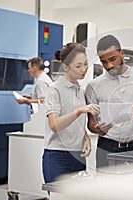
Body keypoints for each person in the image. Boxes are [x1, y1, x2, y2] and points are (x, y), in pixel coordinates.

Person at [85, 35, 133, 168]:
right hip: (106, 148)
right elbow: (91, 124)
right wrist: (98, 129)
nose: (109, 65)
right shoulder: (93, 86)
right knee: (105, 188)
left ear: (122, 54)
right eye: (104, 62)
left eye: (113, 59)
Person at [42, 43, 99, 183]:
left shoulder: (81, 90)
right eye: (78, 66)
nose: (84, 69)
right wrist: (79, 111)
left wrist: (86, 137)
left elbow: (77, 123)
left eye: (85, 64)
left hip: (78, 156)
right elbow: (54, 125)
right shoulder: (54, 90)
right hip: (57, 156)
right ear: (66, 67)